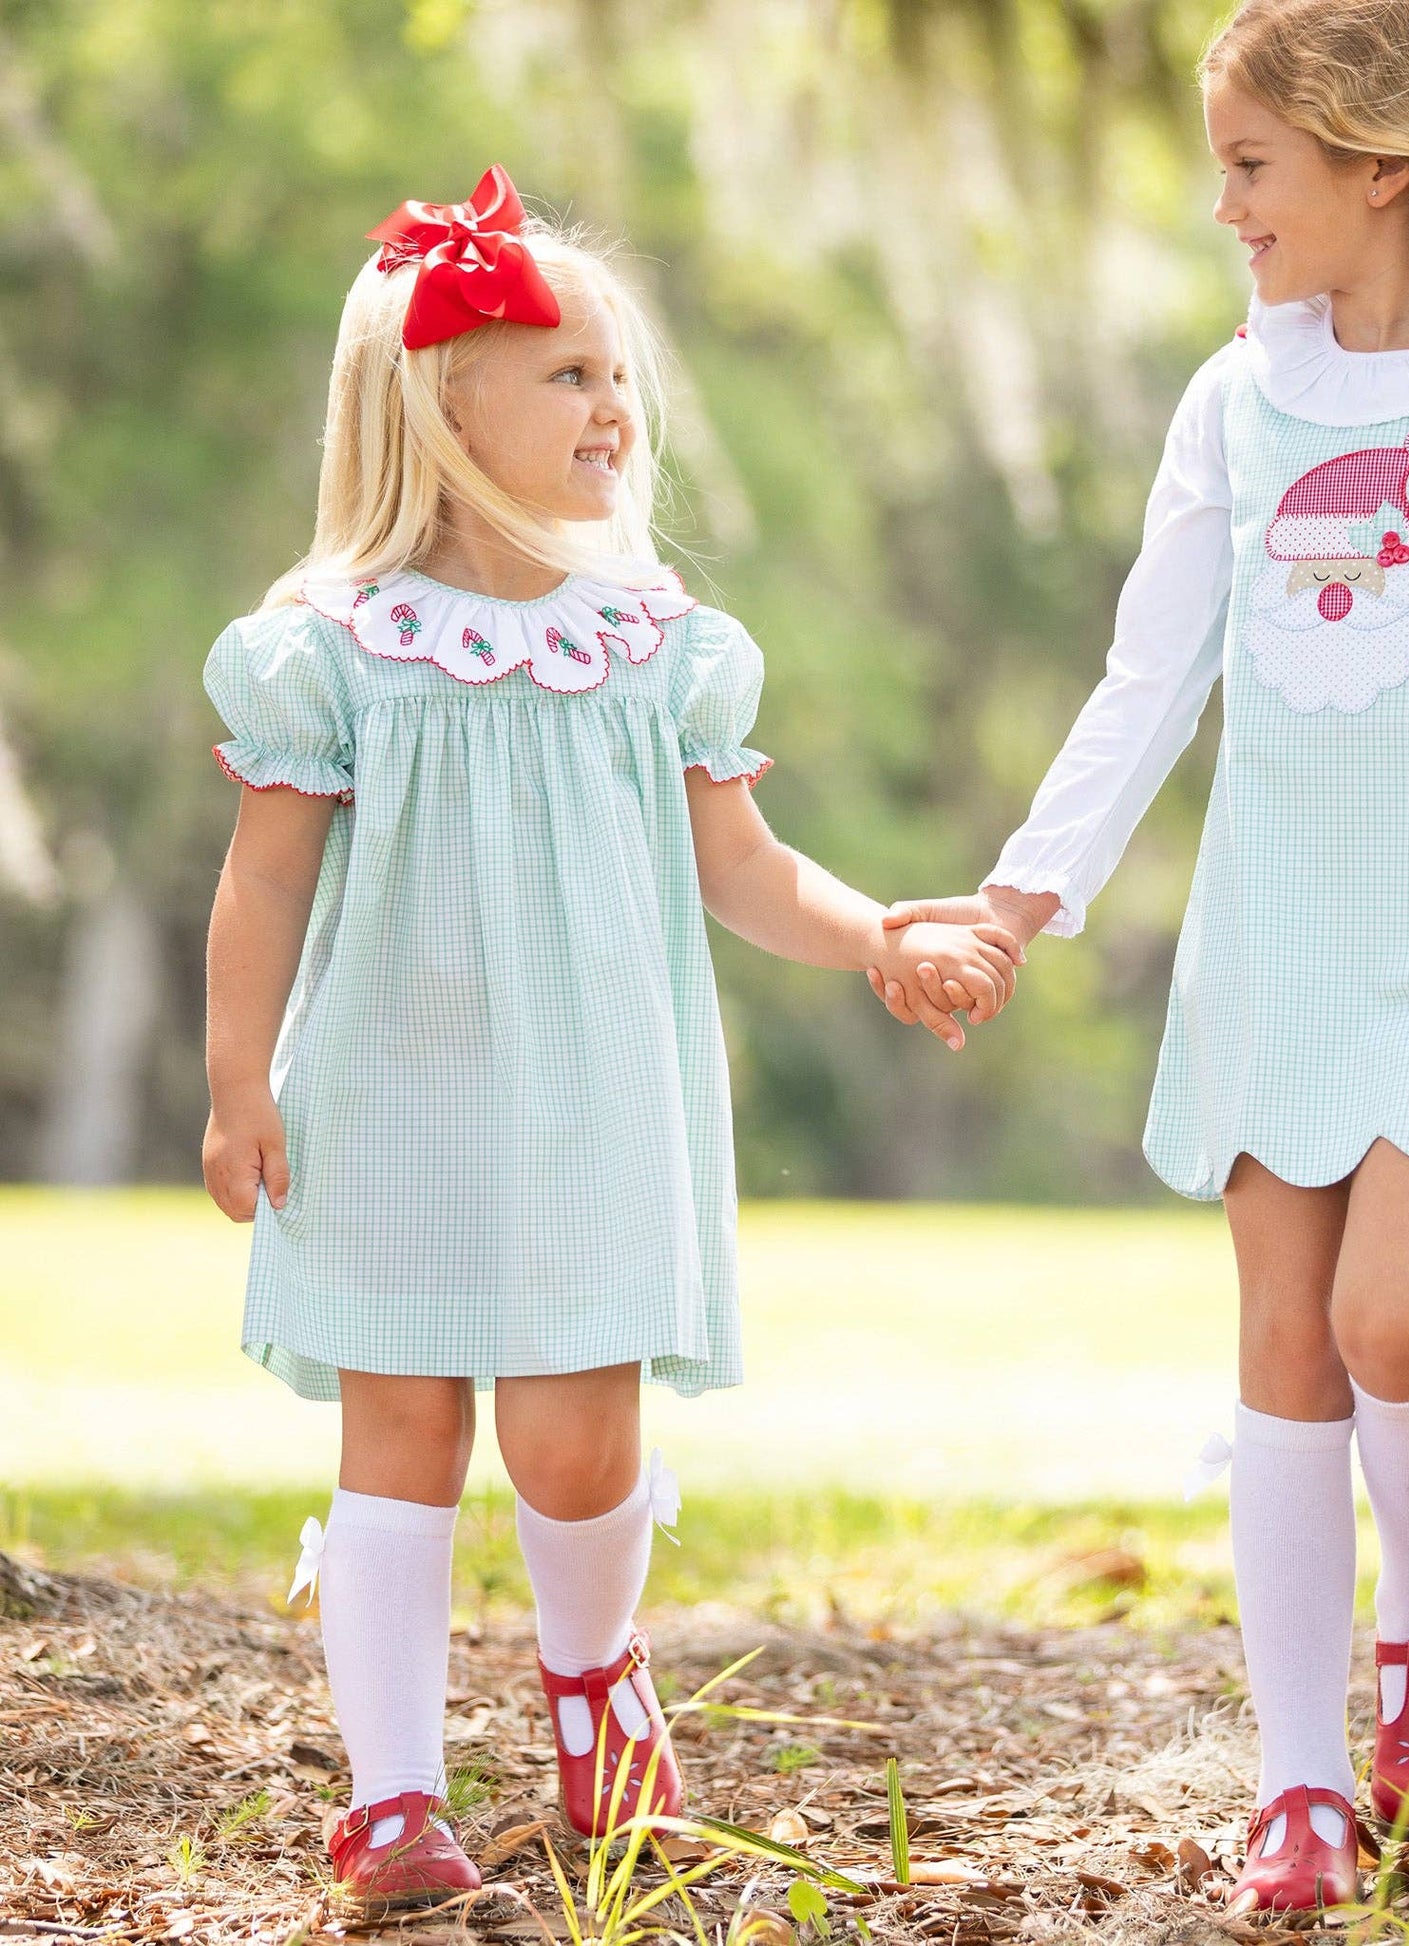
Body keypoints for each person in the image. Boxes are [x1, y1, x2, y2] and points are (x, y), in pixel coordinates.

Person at [873, 0, 1409, 1911]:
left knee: (1388, 1323)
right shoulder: (1233, 404)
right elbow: (1147, 672)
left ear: (1378, 164)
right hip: (1279, 935)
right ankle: (1299, 1780)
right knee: (1280, 1343)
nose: (1229, 211)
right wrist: (1021, 894)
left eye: (1251, 170)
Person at [200, 167, 1017, 1909]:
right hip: (385, 1096)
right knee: (400, 1437)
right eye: (568, 371)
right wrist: (232, 1083)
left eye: (618, 375)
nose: (612, 405)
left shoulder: (656, 648)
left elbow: (741, 865)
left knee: (579, 1444)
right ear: (445, 403)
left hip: (594, 1098)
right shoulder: (335, 652)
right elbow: (263, 886)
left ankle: (589, 1673)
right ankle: (393, 1797)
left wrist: (880, 929)